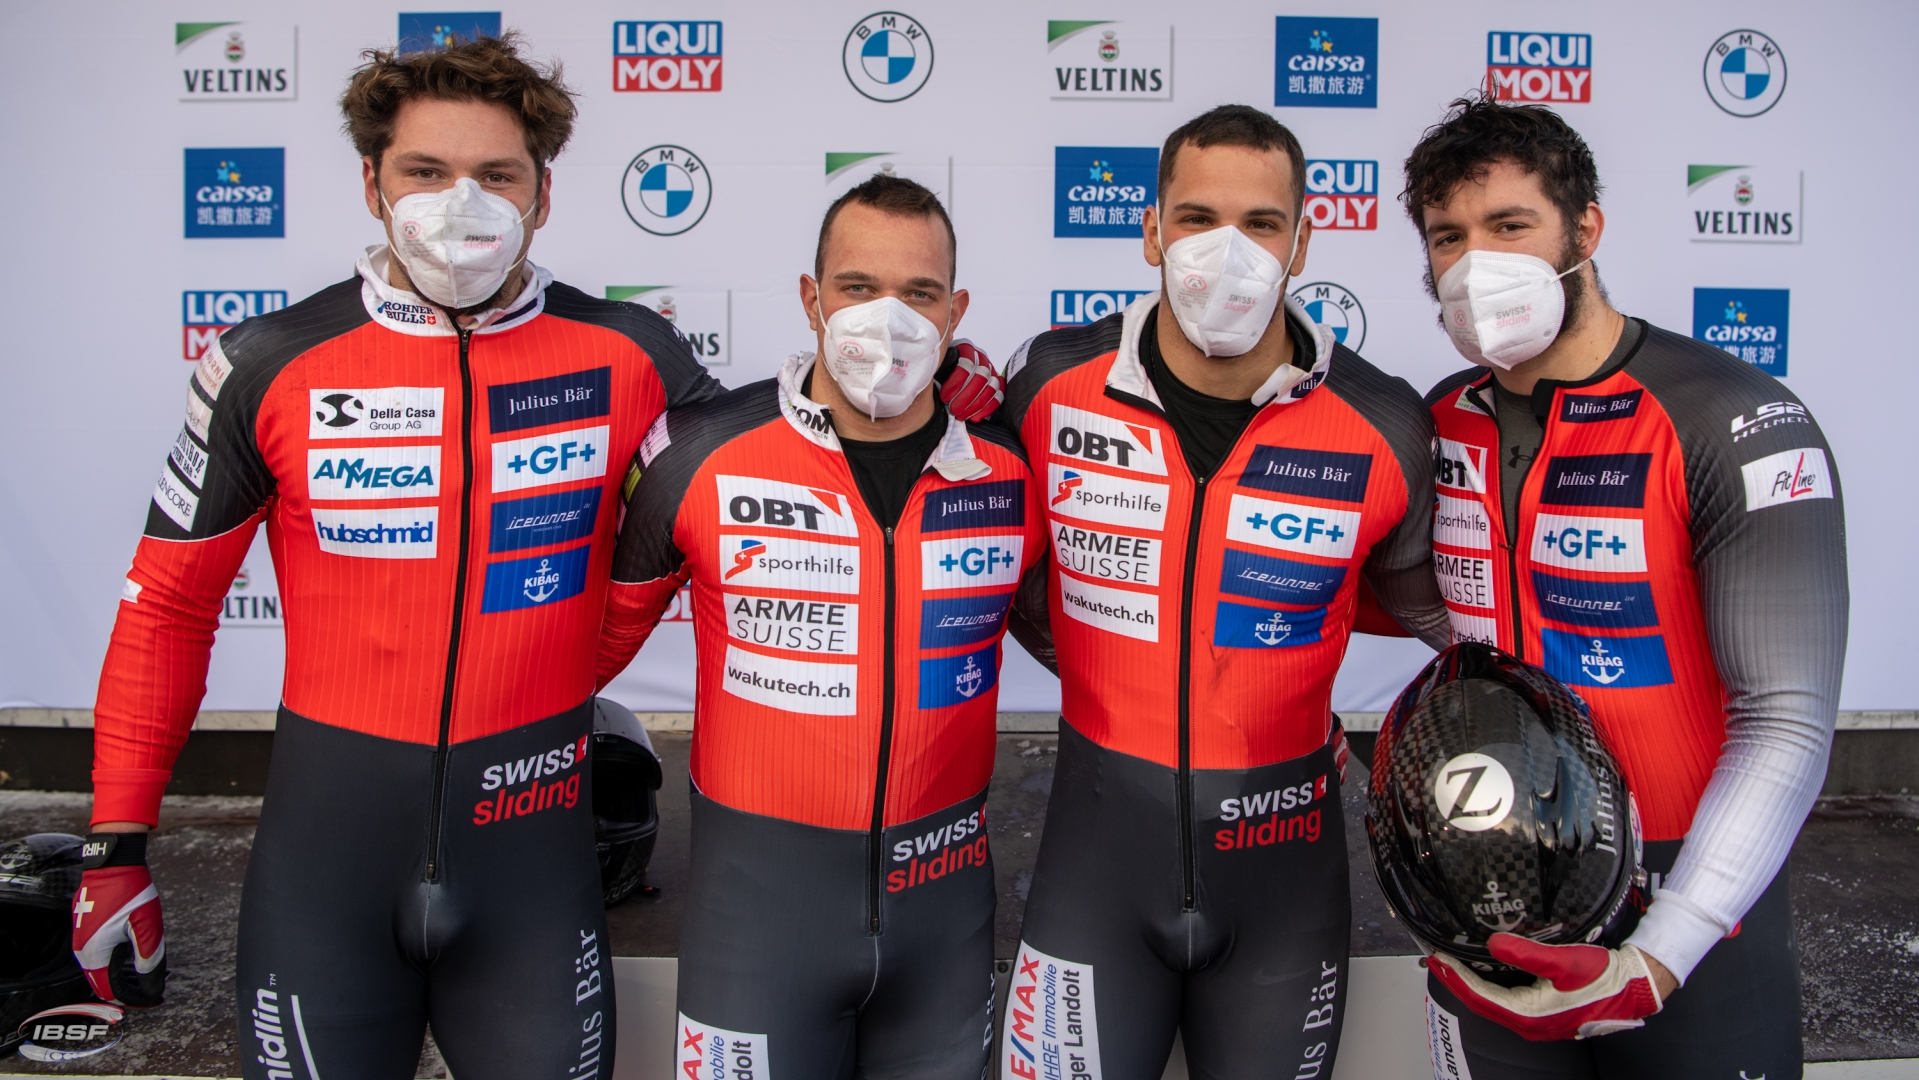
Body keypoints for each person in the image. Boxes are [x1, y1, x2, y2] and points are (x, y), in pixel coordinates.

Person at [73, 35, 725, 1080]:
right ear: (372, 183)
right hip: (324, 876)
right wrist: (116, 844)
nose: (460, 204)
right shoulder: (269, 362)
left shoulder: (632, 353)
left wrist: (945, 399)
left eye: (496, 175)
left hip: (530, 862)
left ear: (542, 195)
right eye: (426, 171)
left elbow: (779, 475)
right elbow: (168, 605)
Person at [993, 104, 1449, 1080]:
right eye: (1197, 218)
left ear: (1301, 243)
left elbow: (1451, 622)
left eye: (1261, 223)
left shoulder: (1383, 424)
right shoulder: (1048, 382)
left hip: (1284, 882)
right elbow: (1000, 575)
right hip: (1093, 872)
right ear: (1151, 231)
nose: (1226, 251)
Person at [1405, 94, 1846, 1078]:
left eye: (1508, 225)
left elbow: (1784, 716)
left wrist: (1661, 953)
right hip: (1482, 891)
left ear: (1585, 229)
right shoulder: (1439, 420)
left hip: (1688, 910)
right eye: (1447, 236)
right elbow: (1427, 604)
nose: (1475, 262)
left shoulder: (1729, 416)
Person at [596, 174, 1043, 1080]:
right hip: (756, 928)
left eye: (919, 293)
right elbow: (581, 652)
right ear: (810, 298)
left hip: (943, 917)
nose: (889, 318)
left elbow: (1102, 650)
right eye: (857, 287)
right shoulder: (699, 452)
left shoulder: (1008, 470)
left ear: (954, 312)